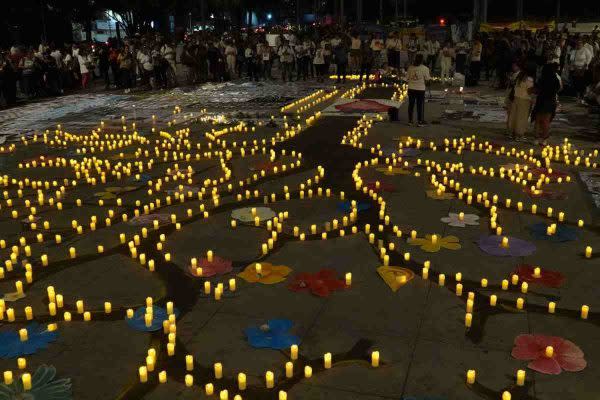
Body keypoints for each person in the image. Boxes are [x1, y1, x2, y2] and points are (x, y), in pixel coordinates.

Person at [532, 63, 562, 146]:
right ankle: (544, 139)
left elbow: (536, 89)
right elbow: (559, 89)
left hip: (541, 101)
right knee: (546, 121)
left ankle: (536, 138)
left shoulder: (542, 79)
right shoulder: (555, 79)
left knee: (538, 120)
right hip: (550, 101)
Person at [506, 63, 534, 141]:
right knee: (521, 117)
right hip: (524, 100)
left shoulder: (519, 77)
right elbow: (529, 91)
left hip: (516, 98)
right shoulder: (529, 79)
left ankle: (512, 132)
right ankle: (519, 134)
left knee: (514, 115)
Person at [406, 53, 431, 127]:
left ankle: (410, 121)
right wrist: (428, 83)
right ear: (422, 60)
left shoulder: (410, 68)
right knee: (420, 105)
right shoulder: (425, 68)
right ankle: (420, 121)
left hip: (411, 88)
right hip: (420, 89)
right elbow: (427, 80)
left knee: (411, 105)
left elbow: (406, 78)